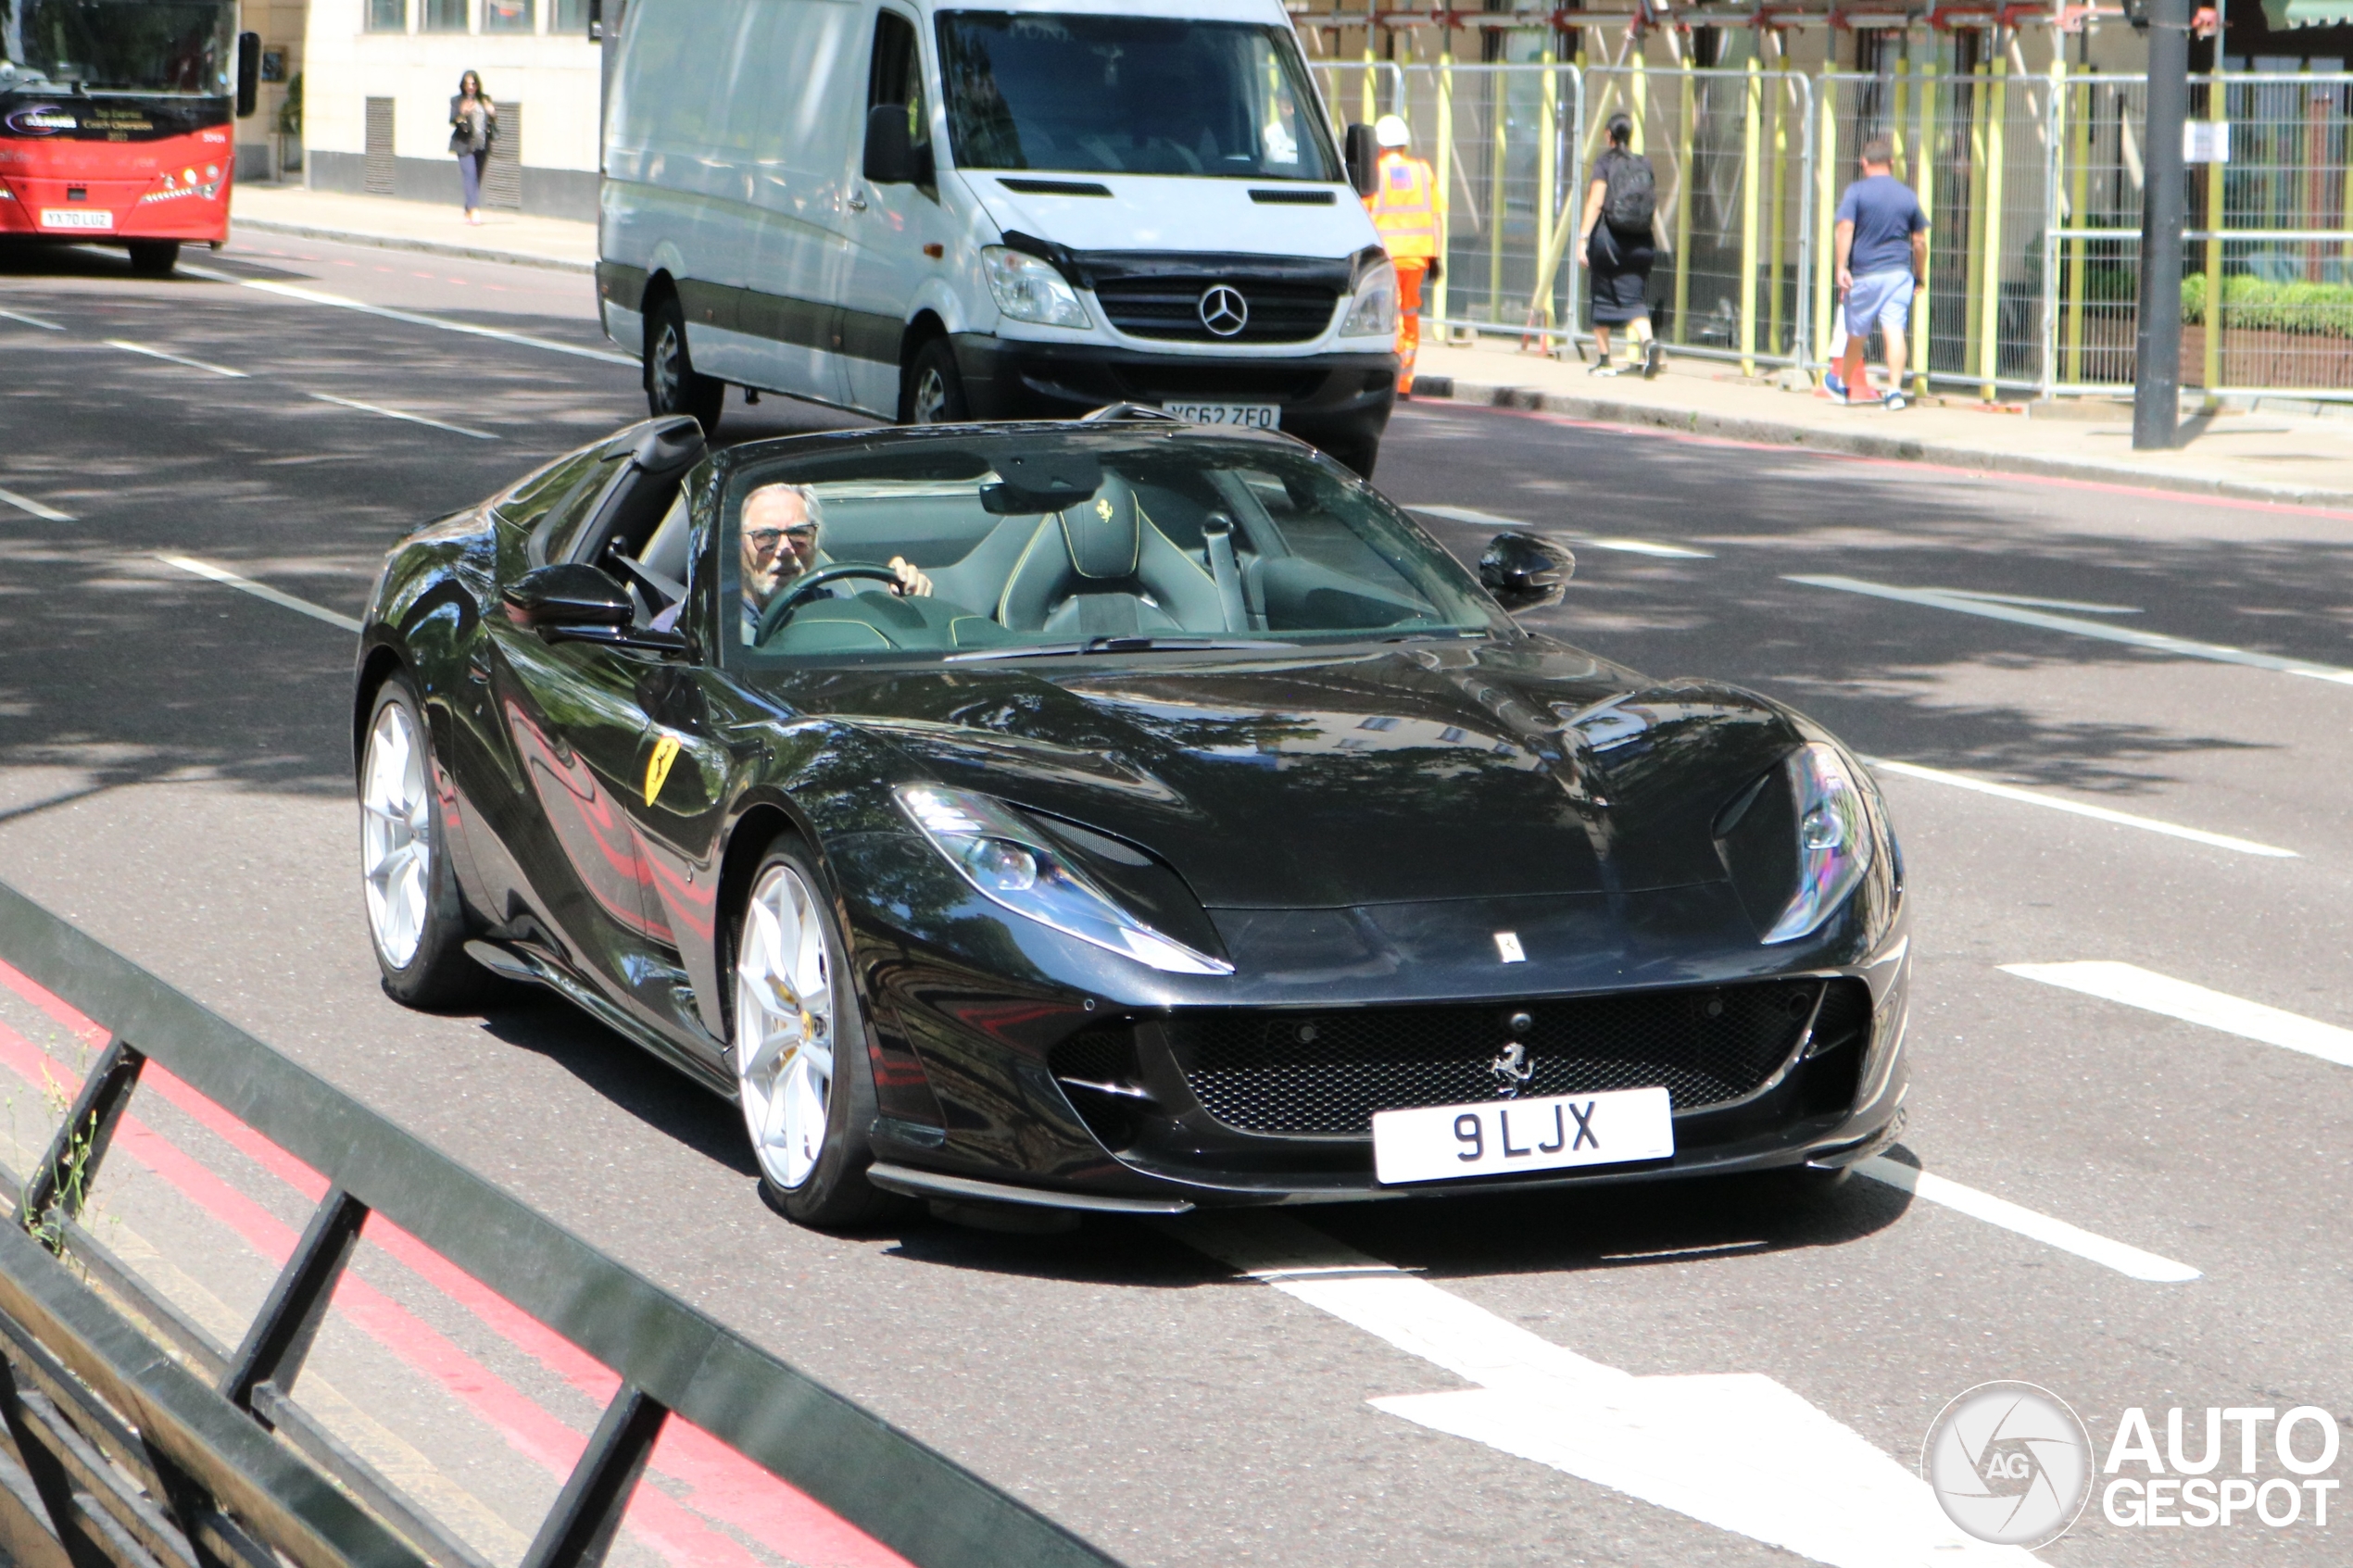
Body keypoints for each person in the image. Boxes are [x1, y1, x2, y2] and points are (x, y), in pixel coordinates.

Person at [738, 483, 930, 643]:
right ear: (735, 546)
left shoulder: (838, 613)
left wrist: (904, 606)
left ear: (815, 544)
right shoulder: (719, 625)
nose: (785, 550)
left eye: (799, 534)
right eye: (765, 536)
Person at [1831, 134, 1930, 410]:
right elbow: (1919, 241)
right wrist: (1919, 274)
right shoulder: (1908, 195)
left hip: (1865, 273)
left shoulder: (1856, 192)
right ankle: (1895, 392)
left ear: (1863, 163)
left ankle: (1843, 385)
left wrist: (1841, 266)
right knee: (1895, 330)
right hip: (1899, 274)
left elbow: (1845, 228)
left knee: (1857, 335)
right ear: (1891, 163)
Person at [1361, 114, 1443, 395]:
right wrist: (1435, 256)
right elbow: (1435, 216)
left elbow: (1365, 217)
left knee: (1389, 315)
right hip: (1418, 256)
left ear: (1380, 145)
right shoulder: (1423, 171)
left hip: (1387, 258)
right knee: (1409, 311)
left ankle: (1389, 376)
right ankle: (1405, 381)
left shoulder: (1374, 173)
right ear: (1405, 143)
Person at [1575, 114, 1662, 379]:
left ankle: (1604, 361)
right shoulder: (1643, 163)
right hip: (1641, 241)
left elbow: (1596, 203)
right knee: (1634, 300)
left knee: (1602, 297)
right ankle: (1649, 343)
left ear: (1608, 135)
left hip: (1609, 242)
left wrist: (1582, 239)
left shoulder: (1604, 164)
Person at [448, 71, 497, 226]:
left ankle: (468, 208)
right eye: (467, 84)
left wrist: (492, 113)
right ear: (463, 85)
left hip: (481, 145)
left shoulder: (484, 99)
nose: (471, 87)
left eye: (473, 84)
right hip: (464, 145)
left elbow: (492, 120)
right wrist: (462, 113)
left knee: (477, 179)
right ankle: (474, 210)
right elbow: (452, 120)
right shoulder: (457, 100)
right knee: (470, 176)